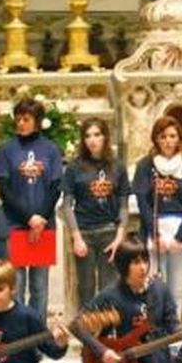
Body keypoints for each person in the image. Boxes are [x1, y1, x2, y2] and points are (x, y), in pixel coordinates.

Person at [0, 98, 63, 320]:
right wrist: (29, 218)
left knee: (40, 287)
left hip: (44, 227)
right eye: (18, 118)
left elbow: (55, 187)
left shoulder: (51, 149)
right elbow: (4, 189)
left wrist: (40, 217)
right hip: (16, 225)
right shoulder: (7, 150)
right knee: (17, 285)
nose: (20, 123)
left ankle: (38, 335)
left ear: (37, 121)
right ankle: (19, 335)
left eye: (26, 119)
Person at [132, 115, 182, 318]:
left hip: (181, 230)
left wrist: (179, 237)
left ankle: (173, 334)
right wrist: (155, 234)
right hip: (155, 229)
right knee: (153, 286)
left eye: (172, 136)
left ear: (179, 138)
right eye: (163, 136)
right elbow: (143, 202)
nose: (168, 141)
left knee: (176, 288)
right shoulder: (146, 165)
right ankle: (154, 329)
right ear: (156, 139)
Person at [61, 119, 130, 306]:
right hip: (84, 233)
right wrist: (76, 237)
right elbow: (66, 205)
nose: (92, 140)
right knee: (86, 288)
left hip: (109, 232)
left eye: (97, 134)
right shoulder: (75, 167)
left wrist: (120, 236)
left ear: (105, 137)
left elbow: (124, 204)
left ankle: (107, 330)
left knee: (110, 287)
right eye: (87, 135)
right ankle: (87, 330)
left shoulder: (117, 166)